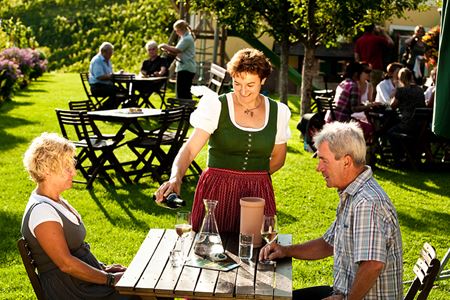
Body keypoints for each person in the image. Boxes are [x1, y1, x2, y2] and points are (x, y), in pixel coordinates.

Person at [260, 121, 403, 300]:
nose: (318, 168)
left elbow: (373, 264)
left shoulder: (366, 203)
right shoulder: (352, 193)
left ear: (346, 161)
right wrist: (286, 250)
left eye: (323, 160)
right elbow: (329, 243)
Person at [155, 48, 291, 233]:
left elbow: (278, 158)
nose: (243, 91)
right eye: (237, 83)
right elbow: (189, 149)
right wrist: (175, 178)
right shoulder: (217, 106)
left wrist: (254, 180)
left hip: (257, 193)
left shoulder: (278, 112)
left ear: (263, 80)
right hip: (216, 192)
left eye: (250, 85)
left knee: (257, 250)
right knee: (208, 250)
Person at [21, 133, 129, 300]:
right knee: (146, 293)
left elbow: (76, 253)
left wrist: (103, 269)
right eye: (67, 167)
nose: (74, 173)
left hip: (82, 282)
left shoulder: (56, 201)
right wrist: (110, 279)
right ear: (47, 170)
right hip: (71, 290)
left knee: (148, 287)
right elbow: (66, 264)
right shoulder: (42, 212)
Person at [326, 62, 378, 143]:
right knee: (369, 128)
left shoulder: (343, 83)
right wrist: (370, 106)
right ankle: (356, 149)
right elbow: (354, 108)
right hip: (342, 121)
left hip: (331, 118)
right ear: (356, 74)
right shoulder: (354, 86)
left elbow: (350, 104)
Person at [387, 67, 426, 162]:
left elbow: (392, 106)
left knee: (390, 132)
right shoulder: (420, 90)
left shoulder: (401, 91)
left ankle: (399, 157)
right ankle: (409, 155)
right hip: (420, 126)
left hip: (407, 125)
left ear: (400, 78)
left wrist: (396, 89)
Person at [159, 20, 196, 99]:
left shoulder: (187, 39)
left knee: (183, 92)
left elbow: (177, 50)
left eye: (176, 30)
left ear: (181, 29)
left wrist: (165, 46)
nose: (176, 33)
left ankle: (187, 109)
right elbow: (177, 52)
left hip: (186, 68)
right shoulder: (184, 38)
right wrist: (168, 50)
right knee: (182, 91)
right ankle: (186, 108)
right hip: (184, 67)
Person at [354, 24, 394, 91]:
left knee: (363, 88)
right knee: (374, 89)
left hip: (363, 69)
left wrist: (359, 69)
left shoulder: (359, 40)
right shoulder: (377, 39)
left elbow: (356, 57)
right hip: (376, 68)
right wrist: (383, 32)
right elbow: (391, 43)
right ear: (373, 29)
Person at [133, 40, 168, 106]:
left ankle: (136, 100)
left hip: (156, 83)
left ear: (157, 50)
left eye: (153, 49)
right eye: (149, 50)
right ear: (147, 51)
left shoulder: (162, 60)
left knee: (136, 84)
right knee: (132, 83)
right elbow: (142, 72)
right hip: (145, 82)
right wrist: (142, 75)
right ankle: (132, 101)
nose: (151, 51)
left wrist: (159, 74)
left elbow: (163, 71)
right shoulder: (146, 62)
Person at [88, 42, 121, 110]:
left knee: (123, 92)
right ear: (103, 52)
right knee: (119, 92)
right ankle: (102, 109)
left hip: (105, 85)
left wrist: (116, 74)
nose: (111, 55)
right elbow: (99, 76)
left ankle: (108, 109)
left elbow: (109, 73)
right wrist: (112, 75)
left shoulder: (107, 60)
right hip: (97, 87)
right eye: (109, 53)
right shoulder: (97, 60)